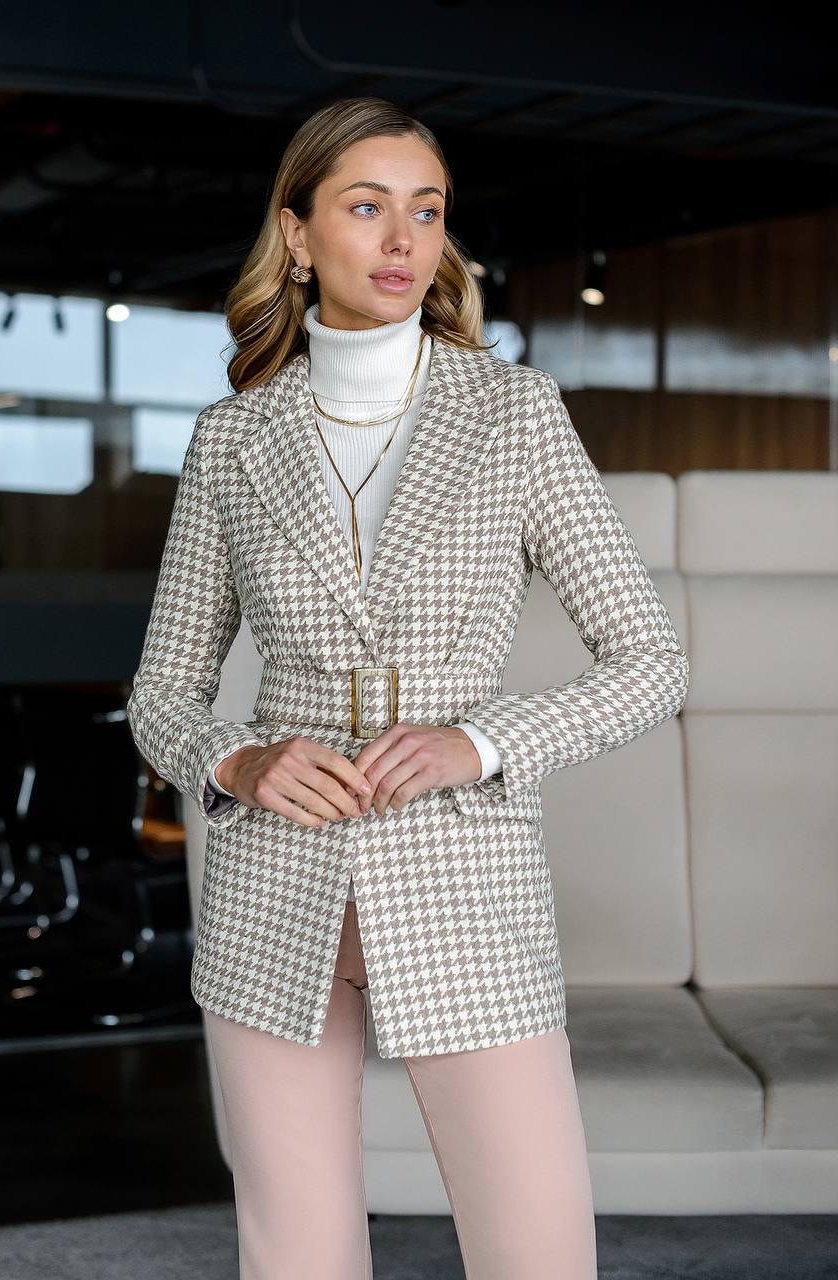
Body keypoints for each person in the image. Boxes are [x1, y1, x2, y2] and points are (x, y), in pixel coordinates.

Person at [127, 95, 688, 1278]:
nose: (400, 240)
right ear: (296, 232)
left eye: (424, 211)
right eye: (366, 206)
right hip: (273, 884)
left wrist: (478, 742)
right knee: (294, 1254)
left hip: (461, 875)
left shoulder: (515, 412)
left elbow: (651, 659)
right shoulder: (232, 439)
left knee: (535, 1248)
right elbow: (162, 690)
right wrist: (237, 758)